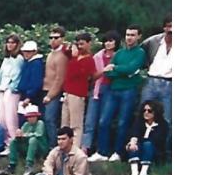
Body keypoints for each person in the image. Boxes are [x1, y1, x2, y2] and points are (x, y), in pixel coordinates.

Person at [92, 25, 145, 162]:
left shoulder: (140, 52)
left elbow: (131, 68)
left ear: (139, 36)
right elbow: (108, 72)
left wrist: (116, 68)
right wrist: (122, 71)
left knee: (123, 122)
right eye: (127, 35)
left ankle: (118, 152)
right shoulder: (119, 53)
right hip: (113, 89)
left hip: (129, 90)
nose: (129, 38)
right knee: (104, 121)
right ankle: (102, 152)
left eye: (133, 35)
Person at [82, 32, 117, 154]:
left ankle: (101, 149)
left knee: (104, 121)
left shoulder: (119, 56)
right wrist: (103, 71)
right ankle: (85, 148)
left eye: (111, 40)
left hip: (111, 90)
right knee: (90, 120)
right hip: (97, 88)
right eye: (106, 41)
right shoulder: (97, 56)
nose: (108, 43)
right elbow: (92, 76)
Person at [125, 101, 167, 175]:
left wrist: (140, 140)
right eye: (144, 110)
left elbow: (157, 140)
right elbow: (134, 133)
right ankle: (134, 173)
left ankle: (143, 174)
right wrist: (133, 142)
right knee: (133, 144)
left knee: (147, 144)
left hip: (154, 151)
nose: (146, 113)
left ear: (156, 112)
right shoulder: (139, 122)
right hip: (139, 149)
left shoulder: (162, 125)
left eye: (149, 111)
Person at [140, 16, 171, 129]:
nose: (171, 30)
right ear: (164, 27)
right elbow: (140, 52)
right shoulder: (153, 41)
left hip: (169, 84)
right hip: (151, 81)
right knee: (144, 113)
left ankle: (162, 146)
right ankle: (140, 143)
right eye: (169, 26)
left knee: (166, 117)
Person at [61, 33, 95, 136]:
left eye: (82, 44)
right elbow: (64, 49)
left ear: (89, 44)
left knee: (75, 125)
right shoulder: (74, 56)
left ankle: (75, 148)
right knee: (64, 124)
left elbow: (79, 73)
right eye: (78, 44)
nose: (80, 47)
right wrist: (72, 48)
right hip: (67, 92)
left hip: (77, 94)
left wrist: (75, 58)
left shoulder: (89, 60)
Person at [0, 34, 25, 149]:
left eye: (13, 42)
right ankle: (6, 143)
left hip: (12, 90)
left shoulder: (19, 58)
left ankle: (14, 144)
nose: (10, 45)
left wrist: (12, 88)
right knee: (2, 118)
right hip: (2, 88)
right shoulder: (6, 58)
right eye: (8, 42)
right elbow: (1, 74)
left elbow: (17, 76)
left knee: (11, 118)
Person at [40, 27, 68, 142]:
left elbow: (60, 78)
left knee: (50, 119)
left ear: (62, 39)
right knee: (44, 120)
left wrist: (50, 96)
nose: (53, 40)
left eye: (56, 38)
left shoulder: (62, 55)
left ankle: (54, 145)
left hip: (53, 92)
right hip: (45, 89)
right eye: (51, 38)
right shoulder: (51, 53)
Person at [7, 104, 47, 175]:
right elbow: (22, 135)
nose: (30, 118)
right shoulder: (25, 124)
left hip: (40, 147)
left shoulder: (40, 123)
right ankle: (12, 164)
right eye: (29, 117)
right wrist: (18, 136)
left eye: (33, 116)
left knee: (33, 140)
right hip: (28, 147)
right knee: (13, 141)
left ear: (37, 117)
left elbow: (39, 134)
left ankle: (29, 165)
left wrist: (25, 135)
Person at [17, 40, 45, 114]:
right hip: (24, 96)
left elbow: (36, 82)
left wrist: (29, 97)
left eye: (29, 51)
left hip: (31, 98)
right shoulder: (28, 62)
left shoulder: (36, 64)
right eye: (24, 51)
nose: (26, 53)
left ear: (34, 52)